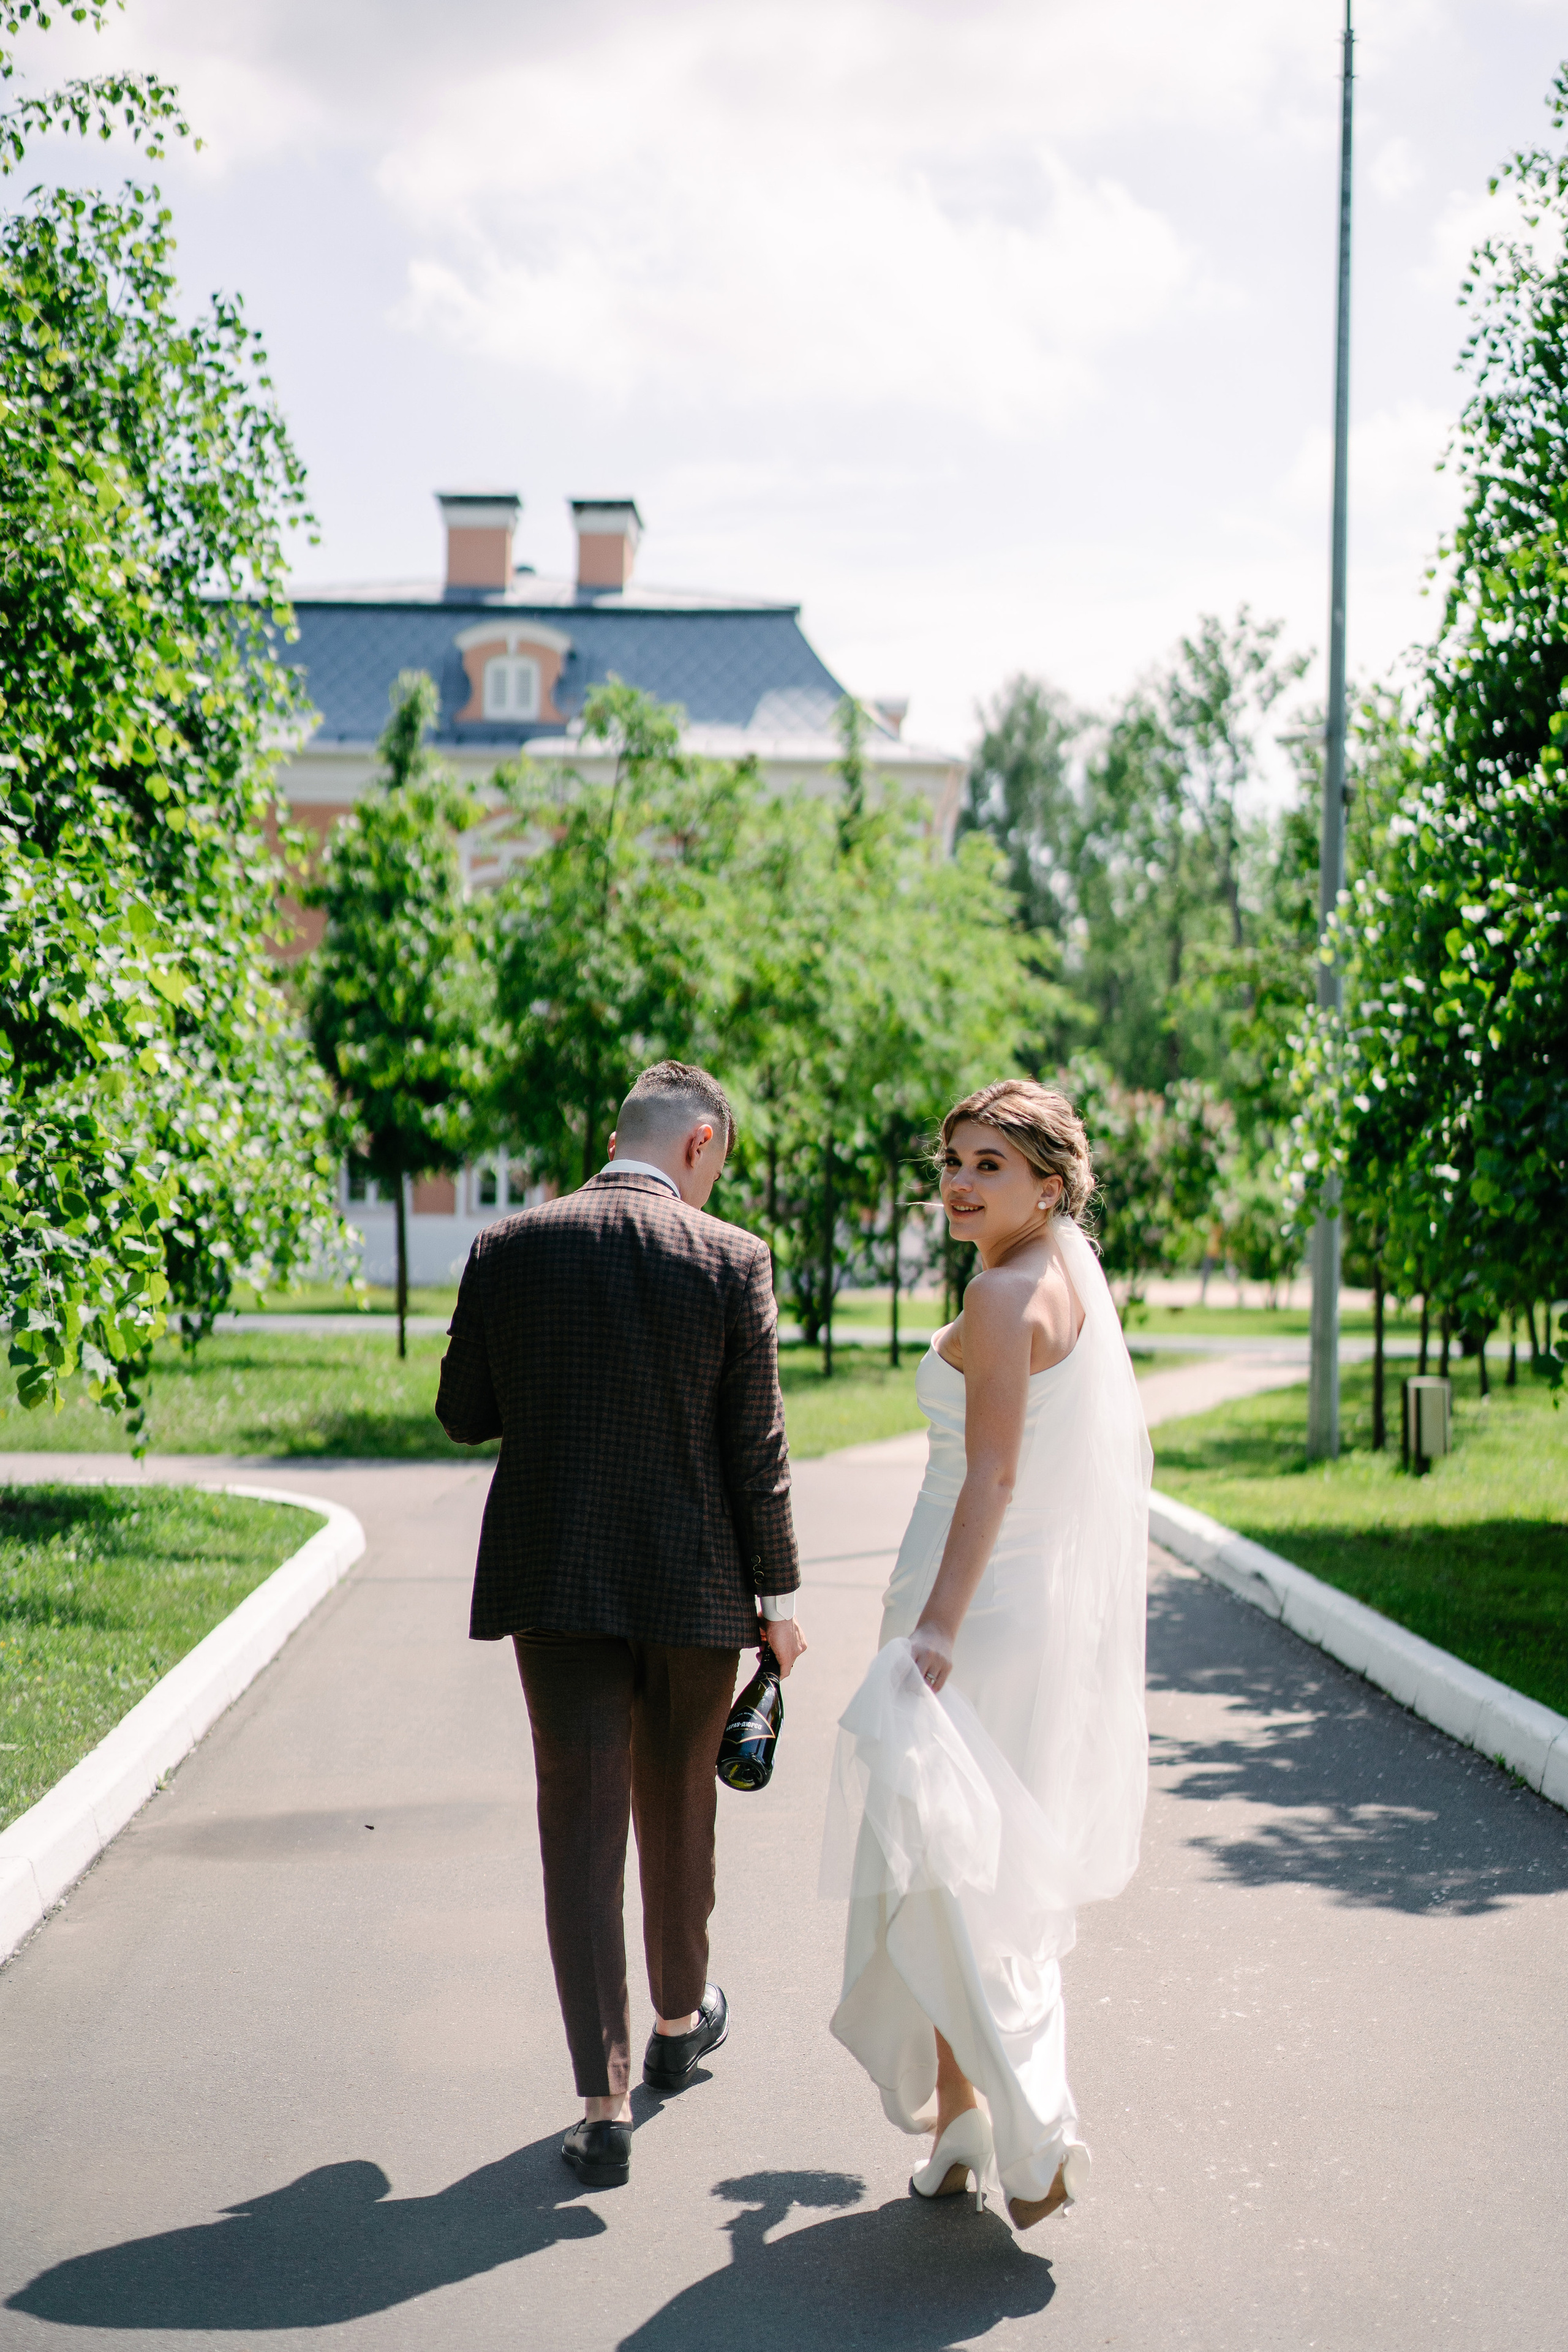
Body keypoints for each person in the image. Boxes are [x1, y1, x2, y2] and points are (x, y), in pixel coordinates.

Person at [437, 1061, 806, 2193]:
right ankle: (681, 2022)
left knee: (582, 1826)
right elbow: (759, 1450)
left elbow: (463, 1415)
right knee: (680, 1805)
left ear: (616, 1138)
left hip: (555, 1584)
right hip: (695, 1590)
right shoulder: (732, 1258)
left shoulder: (510, 1247)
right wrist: (780, 1605)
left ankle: (602, 2107)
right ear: (699, 1144)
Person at [823, 1080, 1149, 2231]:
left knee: (952, 1875)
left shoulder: (1004, 1294)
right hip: (1014, 1605)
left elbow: (995, 1475)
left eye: (990, 1165)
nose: (959, 1181)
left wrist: (938, 1629)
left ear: (1047, 1185)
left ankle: (1036, 2132)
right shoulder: (1063, 1269)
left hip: (967, 1605)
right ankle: (960, 2125)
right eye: (953, 1159)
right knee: (955, 1863)